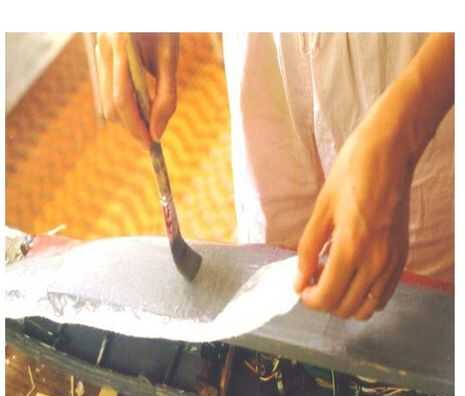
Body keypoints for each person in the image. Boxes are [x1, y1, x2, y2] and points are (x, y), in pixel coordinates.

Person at [95, 32, 454, 320]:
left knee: (417, 317)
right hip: (263, 57)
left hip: (414, 71)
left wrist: (405, 133)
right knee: (267, 298)